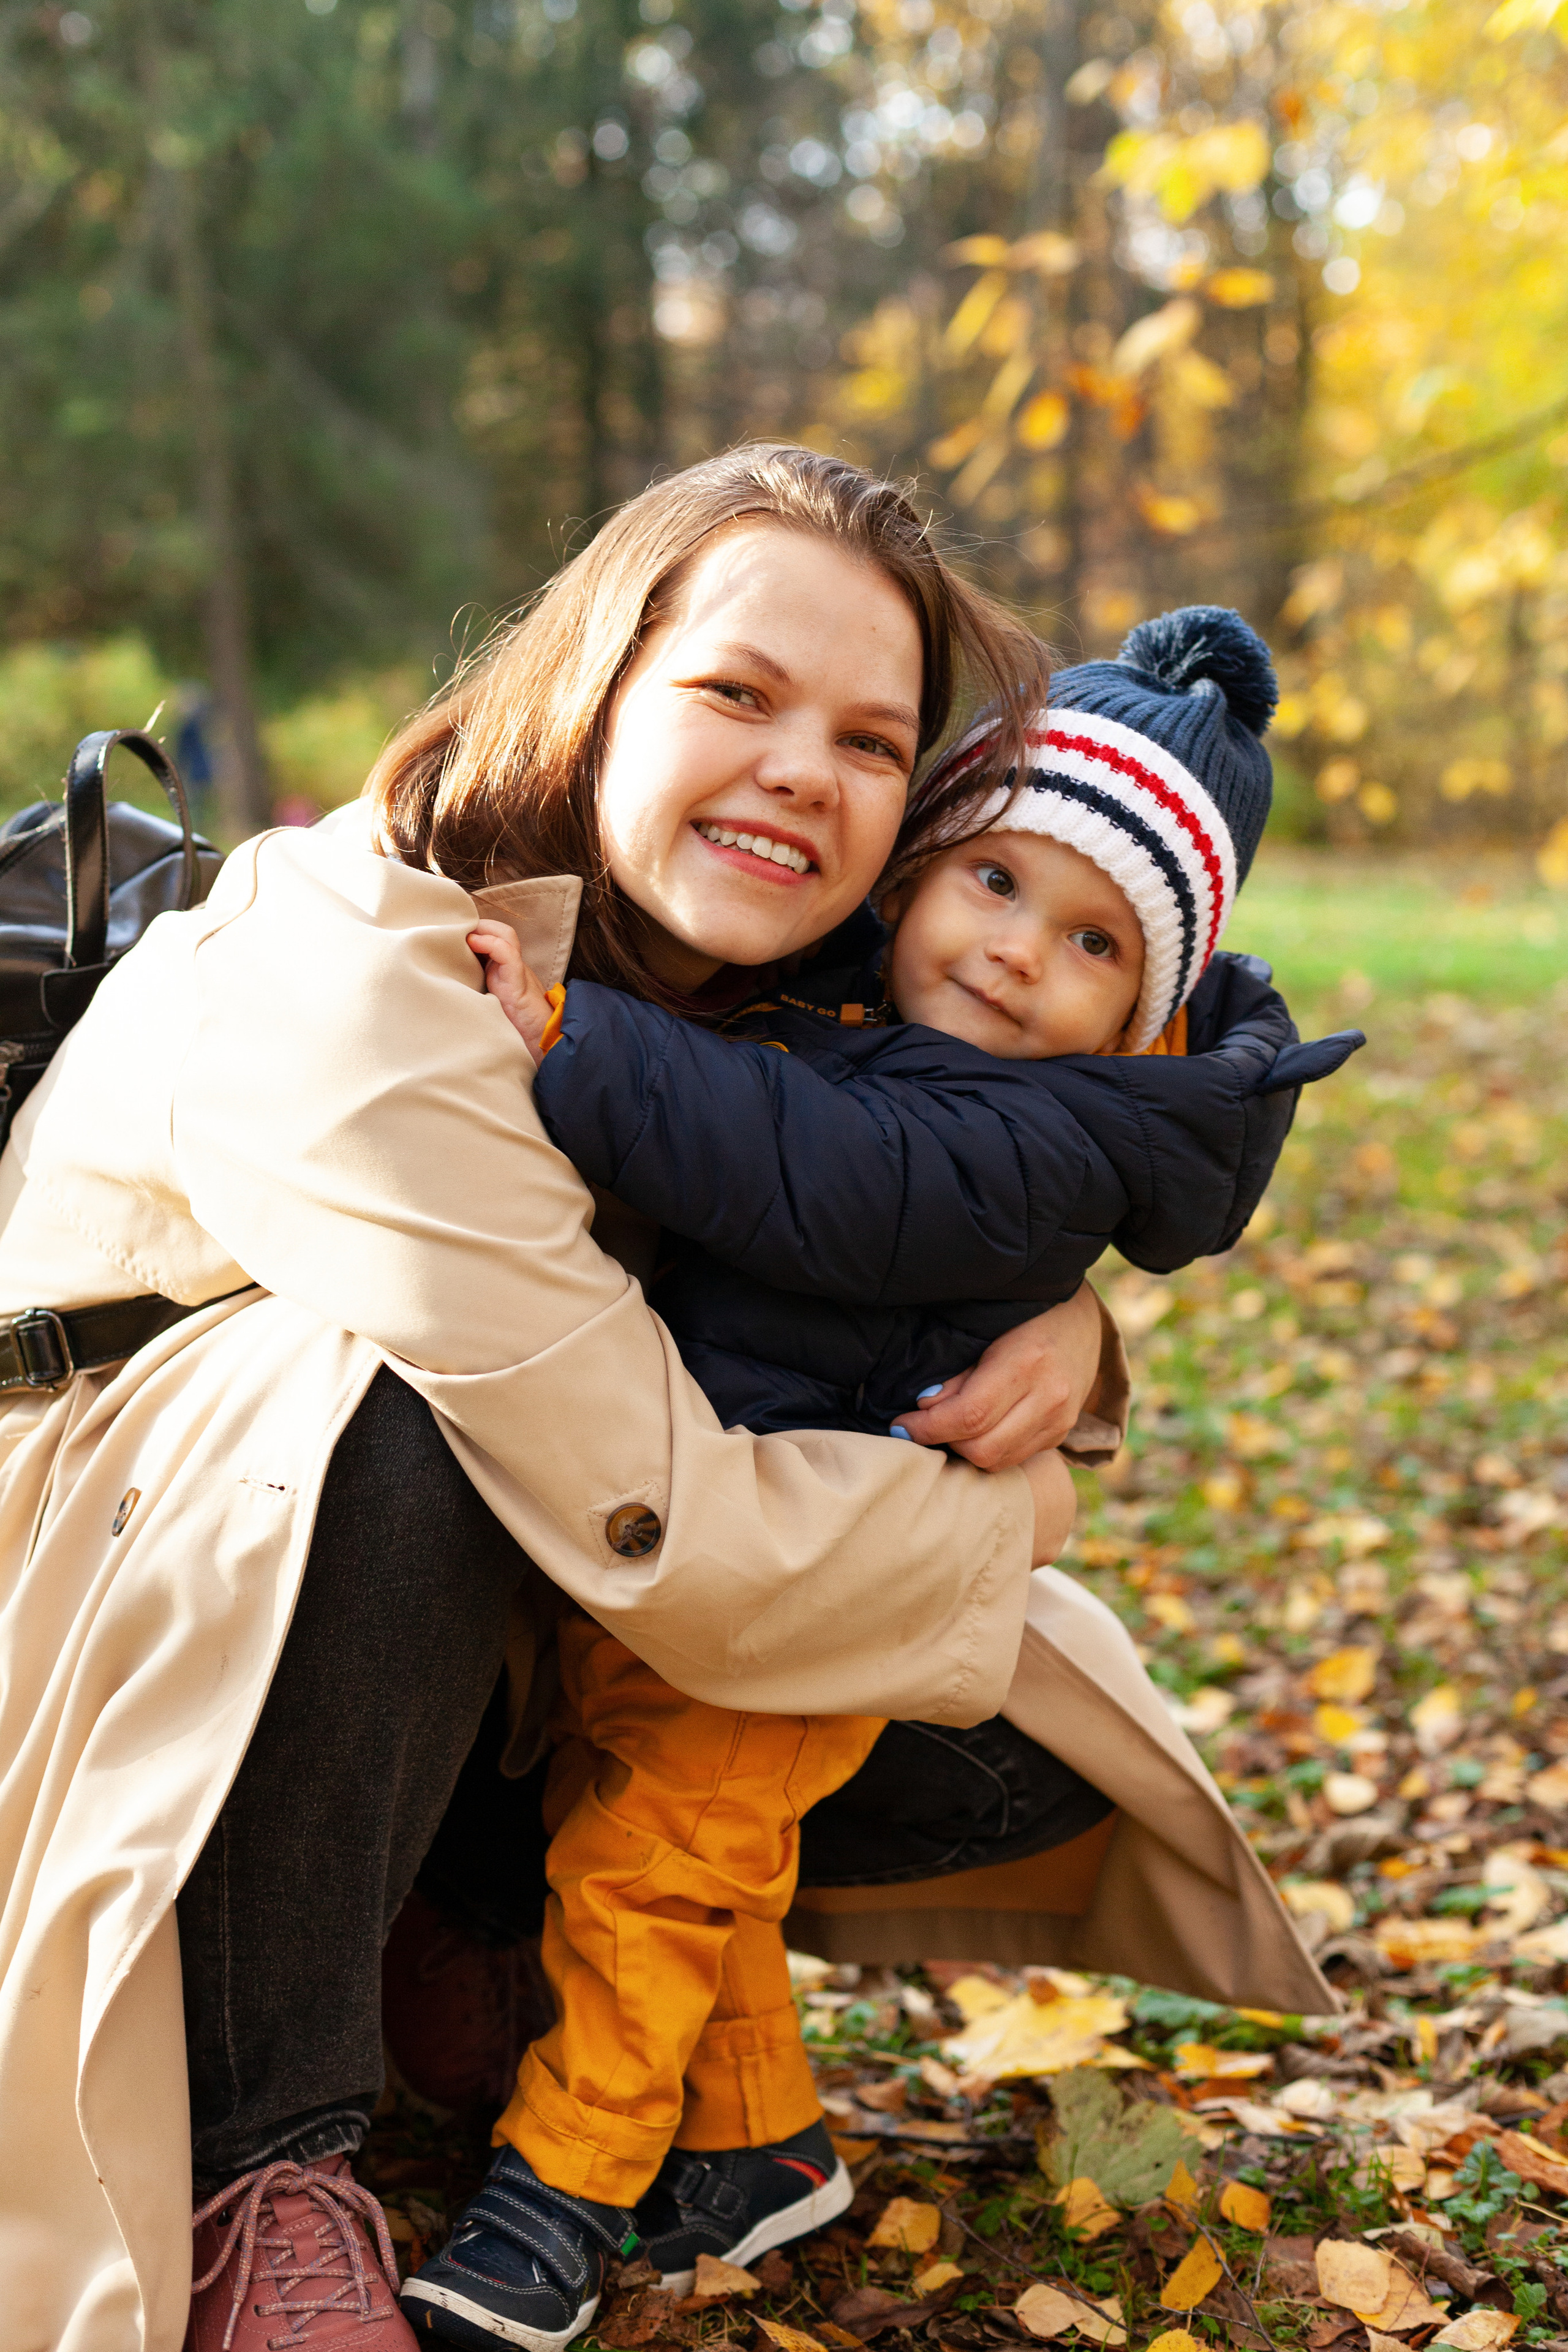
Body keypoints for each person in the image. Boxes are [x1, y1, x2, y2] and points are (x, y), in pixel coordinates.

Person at [0, 445, 1131, 2352]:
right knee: (401, 1424)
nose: (803, 772)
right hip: (103, 1599)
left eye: (872, 743)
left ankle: (452, 1920)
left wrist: (1090, 1346)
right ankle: (261, 2164)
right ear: (599, 677)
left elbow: (922, 1196)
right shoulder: (362, 971)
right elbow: (648, 1515)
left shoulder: (761, 1004)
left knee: (1012, 1747)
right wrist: (1011, 1509)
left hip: (466, 1591)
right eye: (738, 694)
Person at [413, 611, 1360, 2348]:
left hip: (820, 1575)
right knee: (702, 1860)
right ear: (920, 868)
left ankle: (564, 2184)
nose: (1015, 955)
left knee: (651, 1866)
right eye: (993, 884)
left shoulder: (1030, 1136)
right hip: (731, 1541)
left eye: (1090, 945)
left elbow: (814, 1170)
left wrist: (572, 1034)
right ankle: (766, 2146)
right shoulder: (859, 1009)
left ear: (1140, 1026)